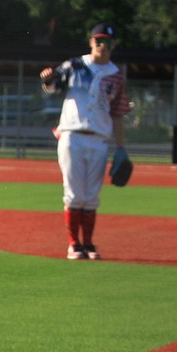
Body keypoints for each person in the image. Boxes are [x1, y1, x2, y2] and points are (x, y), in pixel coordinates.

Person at [40, 23, 133, 260]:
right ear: (91, 42)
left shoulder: (116, 75)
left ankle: (89, 244)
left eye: (108, 42)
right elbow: (52, 86)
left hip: (99, 140)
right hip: (72, 136)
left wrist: (121, 147)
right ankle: (74, 244)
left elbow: (118, 114)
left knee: (91, 195)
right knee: (73, 193)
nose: (103, 45)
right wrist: (47, 79)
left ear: (114, 45)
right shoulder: (75, 65)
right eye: (99, 41)